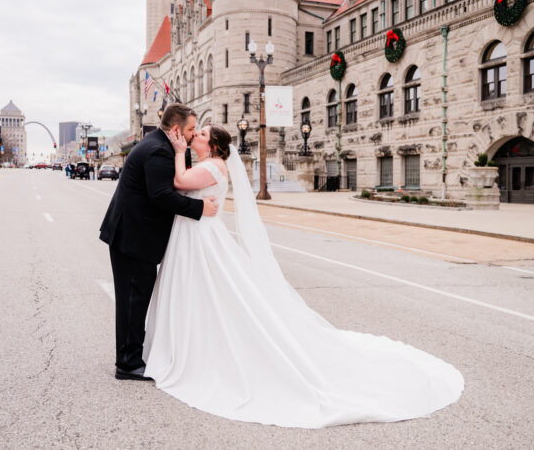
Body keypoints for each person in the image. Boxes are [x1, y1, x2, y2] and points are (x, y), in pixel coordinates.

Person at [140, 123, 464, 429]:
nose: (195, 133)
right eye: (197, 131)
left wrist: (180, 151)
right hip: (197, 236)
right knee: (203, 294)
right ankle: (190, 344)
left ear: (213, 146)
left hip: (203, 240)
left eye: (202, 133)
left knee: (216, 294)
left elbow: (180, 183)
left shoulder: (212, 165)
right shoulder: (210, 163)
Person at [99, 104, 219, 381]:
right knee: (132, 300)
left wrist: (182, 152)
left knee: (135, 299)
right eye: (191, 129)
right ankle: (128, 364)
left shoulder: (162, 146)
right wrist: (199, 208)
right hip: (133, 237)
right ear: (176, 129)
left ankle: (132, 355)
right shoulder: (158, 150)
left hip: (133, 235)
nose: (192, 135)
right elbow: (161, 196)